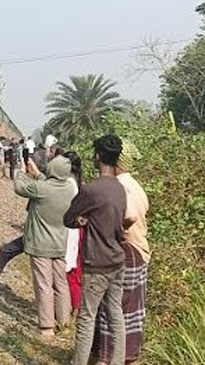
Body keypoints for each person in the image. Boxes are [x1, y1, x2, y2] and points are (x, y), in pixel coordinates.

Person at [65, 135, 128, 365]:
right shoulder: (120, 188)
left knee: (87, 318)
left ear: (98, 157)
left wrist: (82, 220)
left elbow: (68, 218)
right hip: (117, 260)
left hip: (97, 263)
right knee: (115, 315)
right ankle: (117, 361)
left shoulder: (91, 190)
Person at [92, 155, 151, 364]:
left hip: (125, 250)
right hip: (139, 251)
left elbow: (129, 217)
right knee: (131, 310)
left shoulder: (120, 187)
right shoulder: (135, 185)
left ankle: (106, 358)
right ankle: (127, 356)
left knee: (111, 308)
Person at [14, 154, 77, 337]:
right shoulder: (69, 189)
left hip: (41, 245)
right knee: (61, 284)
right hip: (60, 244)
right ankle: (64, 323)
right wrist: (38, 174)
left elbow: (19, 187)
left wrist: (20, 171)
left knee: (43, 285)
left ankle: (47, 326)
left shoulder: (42, 189)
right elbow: (49, 185)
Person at [63, 150, 85, 318]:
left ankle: (74, 306)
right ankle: (75, 305)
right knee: (75, 267)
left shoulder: (69, 183)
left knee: (70, 269)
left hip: (71, 229)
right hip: (78, 229)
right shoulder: (79, 181)